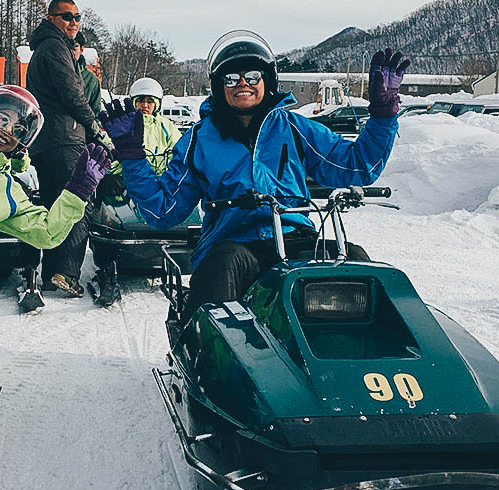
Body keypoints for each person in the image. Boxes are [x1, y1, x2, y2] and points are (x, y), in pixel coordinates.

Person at [101, 30, 408, 321]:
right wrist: (132, 157)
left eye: (252, 76)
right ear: (219, 84)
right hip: (234, 242)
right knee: (222, 269)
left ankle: (371, 353)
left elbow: (357, 166)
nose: (242, 84)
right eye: (231, 78)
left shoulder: (294, 128)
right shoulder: (199, 140)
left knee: (351, 261)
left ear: (268, 80)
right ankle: (208, 355)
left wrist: (382, 116)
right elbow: (164, 211)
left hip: (294, 237)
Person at [0, 85, 111, 313]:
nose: (6, 131)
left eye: (19, 130)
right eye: (1, 120)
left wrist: (77, 193)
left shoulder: (6, 191)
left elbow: (46, 233)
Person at [26, 0, 104, 297]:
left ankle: (50, 272)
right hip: (64, 138)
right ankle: (67, 272)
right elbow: (73, 94)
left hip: (47, 142)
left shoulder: (45, 48)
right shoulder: (56, 47)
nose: (73, 22)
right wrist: (95, 127)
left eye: (77, 17)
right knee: (76, 203)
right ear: (50, 18)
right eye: (66, 16)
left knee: (53, 206)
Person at [88, 76, 180, 307]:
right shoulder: (124, 123)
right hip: (123, 176)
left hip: (158, 177)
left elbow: (179, 151)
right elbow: (108, 146)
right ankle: (110, 244)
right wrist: (115, 157)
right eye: (141, 101)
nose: (145, 106)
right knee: (109, 189)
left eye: (150, 101)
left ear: (157, 104)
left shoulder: (167, 127)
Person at [73, 31, 103, 118]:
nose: (71, 52)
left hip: (79, 129)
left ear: (82, 49)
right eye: (67, 47)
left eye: (75, 47)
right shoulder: (51, 72)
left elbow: (96, 112)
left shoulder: (91, 80)